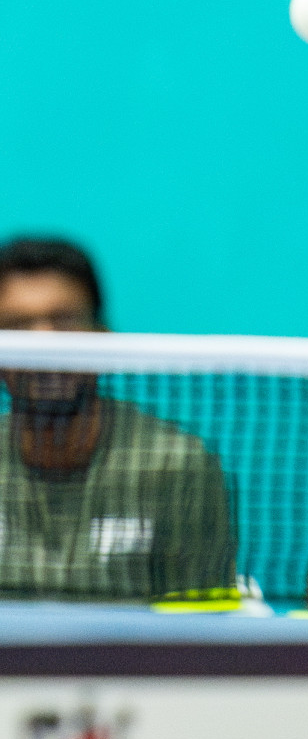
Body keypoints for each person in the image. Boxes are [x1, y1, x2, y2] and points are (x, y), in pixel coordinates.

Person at [0, 237, 236, 603]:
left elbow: (199, 635)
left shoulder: (177, 466)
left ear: (103, 338)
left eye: (64, 322)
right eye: (16, 326)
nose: (43, 347)